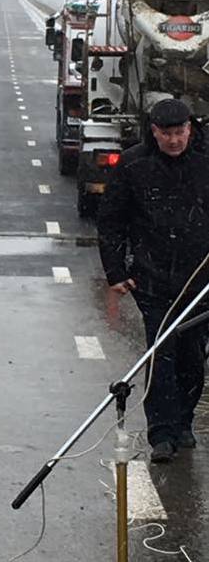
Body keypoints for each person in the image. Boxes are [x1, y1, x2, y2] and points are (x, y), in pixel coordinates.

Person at [97, 98, 209, 464]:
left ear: (190, 129)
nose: (175, 141)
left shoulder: (204, 162)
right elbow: (112, 220)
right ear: (154, 132)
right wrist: (116, 271)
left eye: (180, 133)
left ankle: (183, 421)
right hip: (153, 277)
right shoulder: (134, 165)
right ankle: (161, 432)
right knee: (161, 353)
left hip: (199, 279)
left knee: (193, 357)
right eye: (167, 134)